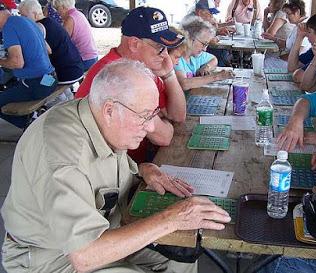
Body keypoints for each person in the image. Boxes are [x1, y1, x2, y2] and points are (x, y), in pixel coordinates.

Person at [1, 59, 231, 273]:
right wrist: (171, 218)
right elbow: (84, 255)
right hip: (51, 257)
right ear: (110, 110)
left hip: (108, 230)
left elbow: (107, 170)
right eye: (144, 116)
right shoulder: (61, 153)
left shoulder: (100, 116)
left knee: (181, 259)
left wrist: (143, 169)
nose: (151, 127)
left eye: (152, 114)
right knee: (171, 232)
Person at [75, 7, 188, 164]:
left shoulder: (140, 67)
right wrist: (161, 119)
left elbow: (177, 116)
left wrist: (169, 75)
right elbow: (164, 137)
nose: (164, 55)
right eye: (159, 47)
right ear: (134, 44)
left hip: (132, 161)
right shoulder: (120, 76)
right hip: (115, 170)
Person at [0, 2, 58, 129]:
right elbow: (48, 50)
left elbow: (17, 63)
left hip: (37, 85)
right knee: (11, 86)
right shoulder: (25, 20)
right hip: (51, 79)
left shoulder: (8, 27)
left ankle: (30, 124)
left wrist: (2, 61)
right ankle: (33, 118)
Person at [18, 0, 84, 85]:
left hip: (65, 75)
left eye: (24, 15)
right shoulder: (51, 21)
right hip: (77, 69)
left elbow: (42, 53)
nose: (21, 19)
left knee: (38, 83)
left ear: (34, 14)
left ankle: (57, 97)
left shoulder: (39, 27)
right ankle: (65, 96)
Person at [175, 16, 234, 91]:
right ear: (190, 38)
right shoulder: (177, 57)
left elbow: (213, 59)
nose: (205, 49)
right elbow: (184, 84)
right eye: (203, 44)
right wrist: (217, 77)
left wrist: (207, 67)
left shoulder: (195, 55)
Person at [51, 0, 98, 71]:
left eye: (57, 9)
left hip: (85, 59)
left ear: (62, 7)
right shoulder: (78, 14)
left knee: (54, 69)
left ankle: (46, 82)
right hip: (92, 56)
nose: (57, 13)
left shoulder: (70, 19)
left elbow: (62, 43)